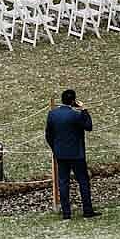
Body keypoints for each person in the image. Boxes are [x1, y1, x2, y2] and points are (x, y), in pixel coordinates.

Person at [45, 88, 99, 220]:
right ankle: (87, 210)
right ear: (74, 101)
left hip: (61, 154)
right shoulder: (76, 115)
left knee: (63, 183)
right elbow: (89, 126)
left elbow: (48, 135)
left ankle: (66, 213)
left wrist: (55, 149)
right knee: (83, 181)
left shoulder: (52, 114)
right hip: (77, 154)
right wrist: (84, 109)